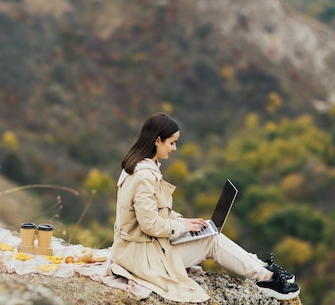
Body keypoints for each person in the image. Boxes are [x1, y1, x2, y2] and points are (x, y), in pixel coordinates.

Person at [109, 112, 300, 303]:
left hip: (143, 249)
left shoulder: (141, 166)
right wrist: (182, 228)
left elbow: (152, 212)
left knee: (208, 232)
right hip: (143, 258)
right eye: (172, 143)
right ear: (158, 140)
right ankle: (265, 279)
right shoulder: (143, 176)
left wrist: (183, 222)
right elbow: (150, 224)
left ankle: (261, 267)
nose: (174, 148)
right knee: (211, 240)